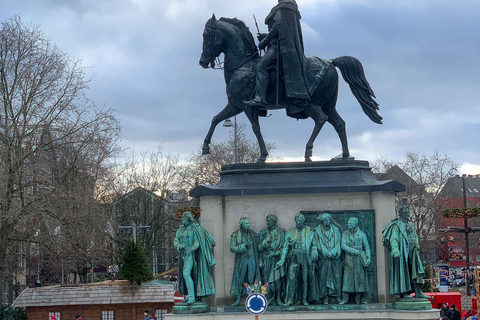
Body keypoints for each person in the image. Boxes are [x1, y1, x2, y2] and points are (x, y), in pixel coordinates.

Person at [245, 0, 309, 109]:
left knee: (261, 67)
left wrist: (264, 41)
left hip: (280, 47)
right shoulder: (286, 6)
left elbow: (278, 27)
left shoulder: (285, 6)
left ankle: (261, 98)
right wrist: (266, 36)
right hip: (277, 43)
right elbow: (283, 29)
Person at [382, 199, 429, 299]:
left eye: (408, 212)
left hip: (413, 251)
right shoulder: (397, 225)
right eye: (405, 212)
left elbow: (415, 236)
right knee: (404, 272)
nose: (407, 214)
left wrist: (417, 244)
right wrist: (395, 249)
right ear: (401, 213)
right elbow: (393, 238)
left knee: (417, 270)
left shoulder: (411, 224)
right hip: (403, 252)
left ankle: (418, 291)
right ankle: (404, 293)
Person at [173, 211, 216, 304]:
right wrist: (179, 245)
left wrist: (190, 250)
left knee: (186, 274)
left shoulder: (195, 229)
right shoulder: (180, 230)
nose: (182, 220)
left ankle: (192, 296)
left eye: (183, 218)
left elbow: (197, 243)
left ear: (188, 219)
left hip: (191, 254)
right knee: (187, 275)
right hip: (183, 255)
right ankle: (190, 295)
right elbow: (175, 240)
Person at [276, 213, 318, 306]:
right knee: (291, 278)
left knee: (305, 278)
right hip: (294, 257)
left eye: (301, 220)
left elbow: (314, 245)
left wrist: (314, 252)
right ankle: (290, 299)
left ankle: (304, 300)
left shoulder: (310, 231)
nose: (299, 222)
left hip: (305, 257)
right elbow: (285, 247)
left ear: (304, 221)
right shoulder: (290, 232)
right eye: (298, 220)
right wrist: (282, 259)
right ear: (295, 221)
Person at [339, 217, 371, 304]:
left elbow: (367, 247)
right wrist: (354, 251)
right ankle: (345, 299)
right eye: (348, 223)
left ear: (355, 225)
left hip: (359, 260)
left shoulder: (362, 234)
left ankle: (358, 298)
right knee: (347, 279)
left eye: (350, 223)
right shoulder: (345, 234)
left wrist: (368, 258)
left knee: (359, 279)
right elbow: (343, 245)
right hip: (349, 259)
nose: (348, 225)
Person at [230, 217, 260, 306]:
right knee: (240, 280)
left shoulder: (253, 234)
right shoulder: (235, 234)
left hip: (252, 260)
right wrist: (243, 246)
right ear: (241, 225)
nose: (248, 225)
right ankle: (238, 300)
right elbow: (232, 248)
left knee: (251, 280)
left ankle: (251, 299)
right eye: (246, 223)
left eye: (248, 223)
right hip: (242, 260)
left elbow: (258, 248)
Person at [258, 214, 285, 305]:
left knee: (277, 280)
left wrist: (277, 253)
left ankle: (278, 299)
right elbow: (259, 249)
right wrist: (264, 243)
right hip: (266, 259)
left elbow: (285, 247)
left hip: (277, 259)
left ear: (274, 221)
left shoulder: (282, 232)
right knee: (267, 281)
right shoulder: (263, 233)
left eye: (269, 221)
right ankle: (268, 298)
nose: (268, 223)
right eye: (267, 221)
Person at [315, 213, 342, 304]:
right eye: (325, 220)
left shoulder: (336, 230)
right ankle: (325, 296)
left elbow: (338, 242)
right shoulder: (317, 231)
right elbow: (318, 244)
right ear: (322, 221)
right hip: (323, 258)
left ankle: (337, 296)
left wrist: (333, 252)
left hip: (334, 258)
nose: (327, 221)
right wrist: (325, 252)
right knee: (323, 277)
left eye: (329, 220)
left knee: (336, 277)